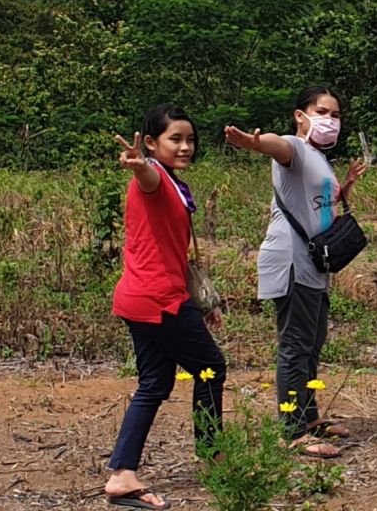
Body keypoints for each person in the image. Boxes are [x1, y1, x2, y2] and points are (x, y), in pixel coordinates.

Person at [224, 86, 366, 458]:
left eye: (336, 115)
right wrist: (255, 144)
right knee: (295, 346)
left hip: (313, 265)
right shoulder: (295, 147)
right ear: (300, 115)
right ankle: (292, 430)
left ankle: (308, 415)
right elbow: (276, 145)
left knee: (312, 342)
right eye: (323, 112)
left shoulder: (319, 157)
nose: (330, 120)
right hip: (290, 259)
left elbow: (317, 203)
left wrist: (347, 183)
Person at [105, 105, 225, 510]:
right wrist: (140, 165)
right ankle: (212, 455)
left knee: (155, 384)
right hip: (158, 300)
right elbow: (147, 177)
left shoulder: (175, 184)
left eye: (190, 139)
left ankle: (122, 474)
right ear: (153, 143)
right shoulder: (153, 180)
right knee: (211, 367)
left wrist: (200, 299)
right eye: (175, 139)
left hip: (143, 297)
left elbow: (173, 250)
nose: (186, 146)